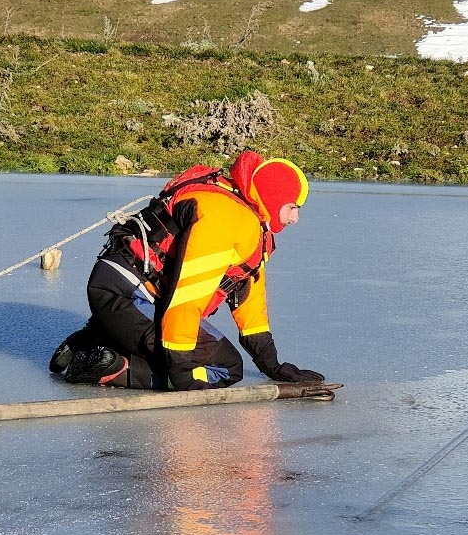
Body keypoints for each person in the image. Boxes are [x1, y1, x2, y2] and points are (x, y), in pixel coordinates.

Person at [49, 150, 325, 391]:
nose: (295, 218)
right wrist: (180, 373)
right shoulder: (230, 219)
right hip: (128, 295)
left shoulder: (244, 216)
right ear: (272, 198)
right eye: (292, 207)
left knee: (204, 355)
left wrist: (271, 364)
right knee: (225, 368)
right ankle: (113, 368)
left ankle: (93, 339)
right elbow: (186, 297)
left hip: (122, 285)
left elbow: (249, 299)